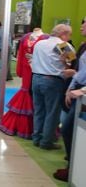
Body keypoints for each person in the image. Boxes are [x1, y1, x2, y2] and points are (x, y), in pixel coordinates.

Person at [31, 24, 76, 150]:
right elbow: (70, 65)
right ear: (64, 34)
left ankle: (37, 138)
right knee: (52, 112)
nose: (68, 38)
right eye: (69, 35)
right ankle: (46, 142)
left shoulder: (40, 44)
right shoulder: (63, 46)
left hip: (36, 78)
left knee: (39, 110)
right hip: (52, 81)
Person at [0, 28, 48, 138]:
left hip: (38, 70)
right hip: (26, 69)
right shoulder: (26, 37)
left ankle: (38, 129)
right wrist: (19, 69)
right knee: (26, 92)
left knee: (37, 97)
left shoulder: (45, 38)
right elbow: (20, 54)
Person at [53, 20, 86, 181]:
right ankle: (72, 164)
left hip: (81, 91)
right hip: (75, 90)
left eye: (84, 23)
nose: (82, 26)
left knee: (67, 128)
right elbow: (76, 68)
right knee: (68, 127)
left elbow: (77, 70)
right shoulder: (81, 46)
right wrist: (70, 87)